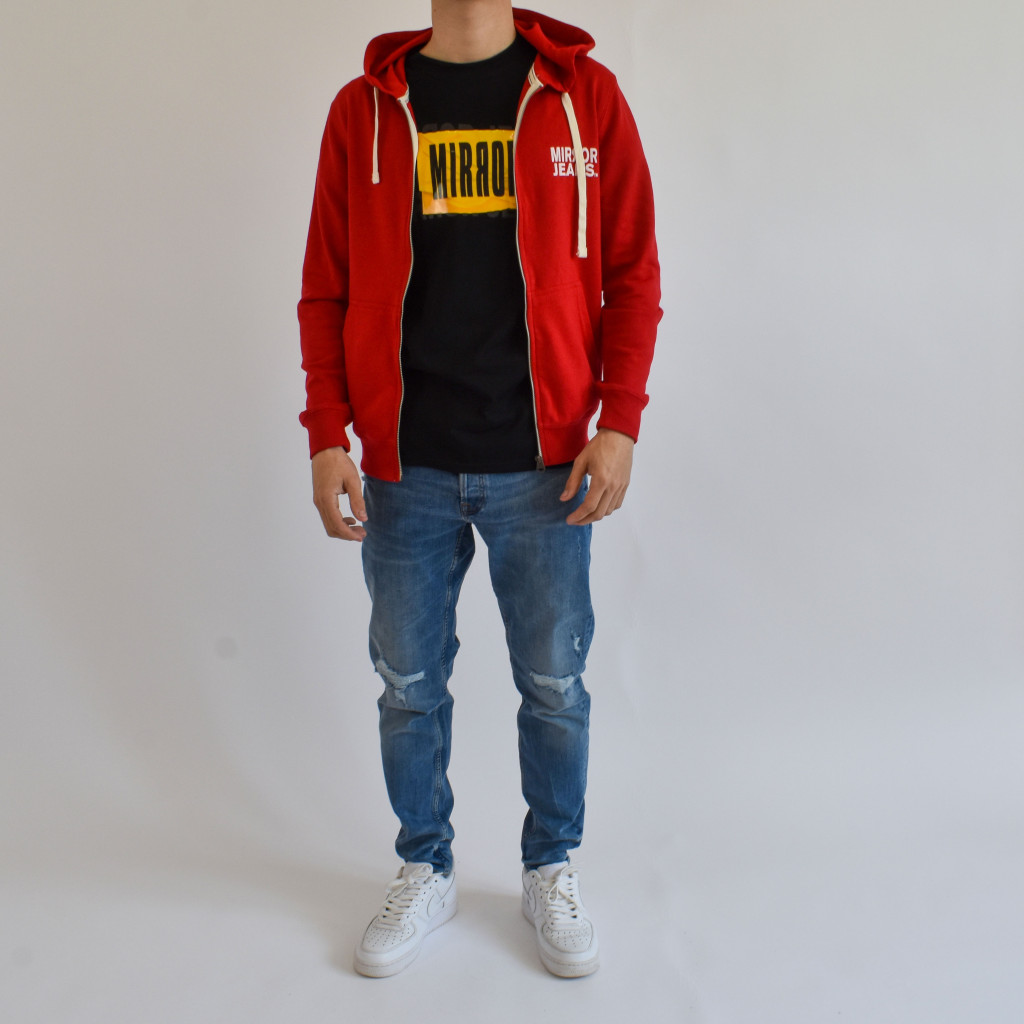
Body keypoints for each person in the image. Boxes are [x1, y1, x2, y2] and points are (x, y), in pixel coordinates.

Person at [297, 0, 660, 979]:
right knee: (407, 687)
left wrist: (619, 419)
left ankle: (550, 865)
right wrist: (327, 430)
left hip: (547, 463)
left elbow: (631, 269)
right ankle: (426, 864)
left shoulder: (586, 97)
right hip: (403, 463)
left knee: (554, 684)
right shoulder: (364, 109)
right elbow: (326, 283)